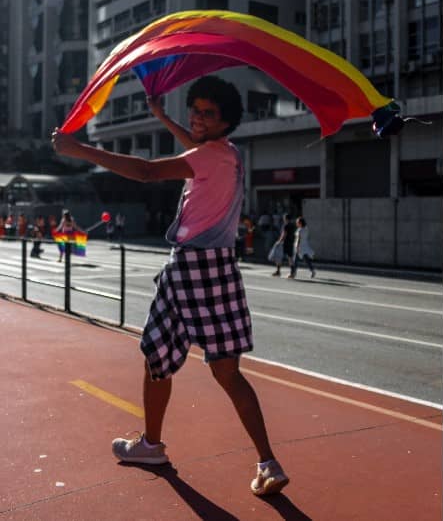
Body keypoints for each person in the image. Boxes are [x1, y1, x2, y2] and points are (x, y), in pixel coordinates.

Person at [51, 76, 289, 497]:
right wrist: (163, 116)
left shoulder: (208, 157)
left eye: (207, 113)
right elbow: (195, 148)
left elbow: (145, 172)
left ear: (225, 121)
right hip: (222, 269)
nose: (197, 117)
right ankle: (268, 462)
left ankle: (151, 446)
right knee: (228, 372)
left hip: (188, 269)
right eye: (194, 109)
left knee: (155, 354)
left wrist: (78, 149)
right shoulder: (229, 154)